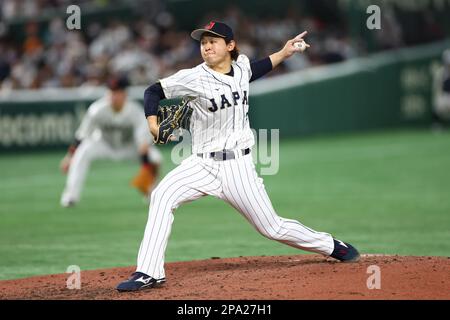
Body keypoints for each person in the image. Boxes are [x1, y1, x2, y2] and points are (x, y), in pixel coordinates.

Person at [116, 21, 360, 292]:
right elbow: (153, 91)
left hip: (238, 166)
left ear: (230, 46)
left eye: (213, 41)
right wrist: (152, 121)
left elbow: (257, 69)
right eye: (203, 42)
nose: (207, 46)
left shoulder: (242, 66)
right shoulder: (193, 77)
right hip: (202, 163)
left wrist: (285, 52)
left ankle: (331, 245)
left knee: (272, 228)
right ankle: (148, 272)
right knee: (162, 196)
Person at [60, 76, 162, 207]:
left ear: (125, 94)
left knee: (156, 158)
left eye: (117, 92)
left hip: (128, 146)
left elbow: (142, 144)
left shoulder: (135, 111)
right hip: (104, 144)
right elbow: (82, 135)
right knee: (83, 151)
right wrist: (69, 156)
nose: (113, 95)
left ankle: (151, 194)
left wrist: (145, 168)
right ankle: (70, 196)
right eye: (111, 91)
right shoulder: (97, 109)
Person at [432, 49, 450, 129]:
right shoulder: (441, 72)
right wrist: (439, 97)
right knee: (437, 103)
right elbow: (438, 87)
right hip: (444, 95)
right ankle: (436, 124)